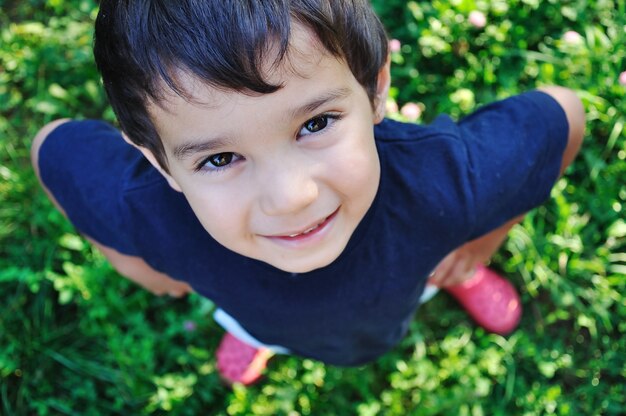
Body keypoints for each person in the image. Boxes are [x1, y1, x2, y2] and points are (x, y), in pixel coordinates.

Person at [31, 0, 585, 385]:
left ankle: (462, 278)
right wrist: (140, 264)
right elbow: (51, 151)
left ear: (374, 89)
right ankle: (261, 338)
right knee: (261, 324)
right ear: (160, 162)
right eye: (219, 158)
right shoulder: (146, 211)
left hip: (409, 278)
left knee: (403, 302)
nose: (290, 197)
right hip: (253, 311)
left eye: (316, 124)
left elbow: (564, 116)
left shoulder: (446, 179)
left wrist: (479, 243)